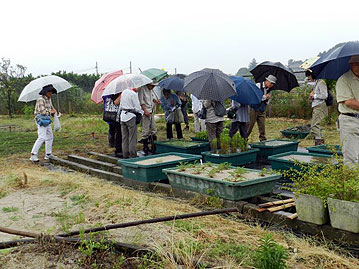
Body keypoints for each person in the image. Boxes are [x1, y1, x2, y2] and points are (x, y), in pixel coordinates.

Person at [336, 55, 359, 166]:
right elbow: (349, 102)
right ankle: (352, 182)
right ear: (351, 65)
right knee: (351, 157)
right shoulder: (343, 80)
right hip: (350, 120)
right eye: (357, 64)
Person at [30, 85, 57, 162]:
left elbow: (48, 111)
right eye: (49, 91)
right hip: (41, 120)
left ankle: (48, 154)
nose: (51, 93)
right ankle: (33, 155)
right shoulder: (40, 99)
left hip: (47, 120)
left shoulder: (49, 99)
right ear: (45, 92)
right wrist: (50, 112)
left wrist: (53, 112)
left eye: (51, 91)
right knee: (42, 137)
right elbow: (43, 112)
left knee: (50, 136)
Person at [247, 74, 277, 141]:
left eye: (273, 84)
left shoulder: (270, 90)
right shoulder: (257, 85)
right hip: (253, 109)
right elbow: (254, 97)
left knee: (262, 127)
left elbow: (267, 102)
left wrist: (268, 99)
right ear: (267, 81)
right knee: (249, 126)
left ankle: (263, 141)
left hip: (262, 110)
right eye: (271, 83)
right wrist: (264, 97)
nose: (272, 85)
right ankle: (244, 140)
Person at [305, 69, 328, 145]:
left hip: (320, 106)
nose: (308, 78)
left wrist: (314, 96)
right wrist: (313, 97)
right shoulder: (317, 83)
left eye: (309, 76)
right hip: (316, 105)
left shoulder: (321, 83)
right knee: (315, 125)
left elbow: (324, 95)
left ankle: (319, 143)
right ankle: (319, 141)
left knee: (314, 125)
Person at [120, 88, 143, 159]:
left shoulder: (123, 92)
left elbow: (121, 105)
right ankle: (133, 154)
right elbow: (137, 108)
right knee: (132, 137)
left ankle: (125, 154)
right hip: (130, 116)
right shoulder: (133, 94)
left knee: (124, 137)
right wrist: (142, 112)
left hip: (123, 116)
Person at [138, 82, 160, 155]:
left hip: (151, 110)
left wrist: (156, 101)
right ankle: (145, 146)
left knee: (154, 129)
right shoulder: (142, 89)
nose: (153, 87)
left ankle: (153, 145)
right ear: (148, 84)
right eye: (152, 85)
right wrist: (145, 110)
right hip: (145, 112)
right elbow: (141, 101)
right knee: (146, 130)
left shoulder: (151, 90)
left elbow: (152, 98)